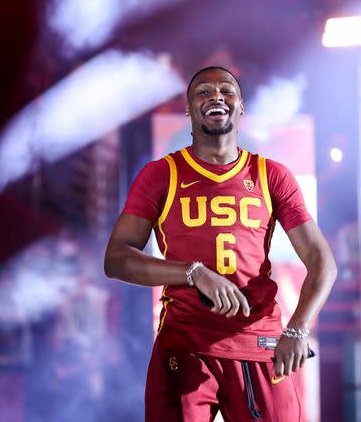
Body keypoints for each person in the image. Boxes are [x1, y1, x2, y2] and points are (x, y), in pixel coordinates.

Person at [104, 66, 337, 421]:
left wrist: (298, 327)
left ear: (241, 106)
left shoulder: (270, 174)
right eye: (203, 92)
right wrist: (193, 273)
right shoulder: (161, 175)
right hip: (186, 341)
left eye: (226, 90)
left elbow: (322, 262)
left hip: (258, 341)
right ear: (188, 109)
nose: (216, 96)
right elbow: (116, 259)